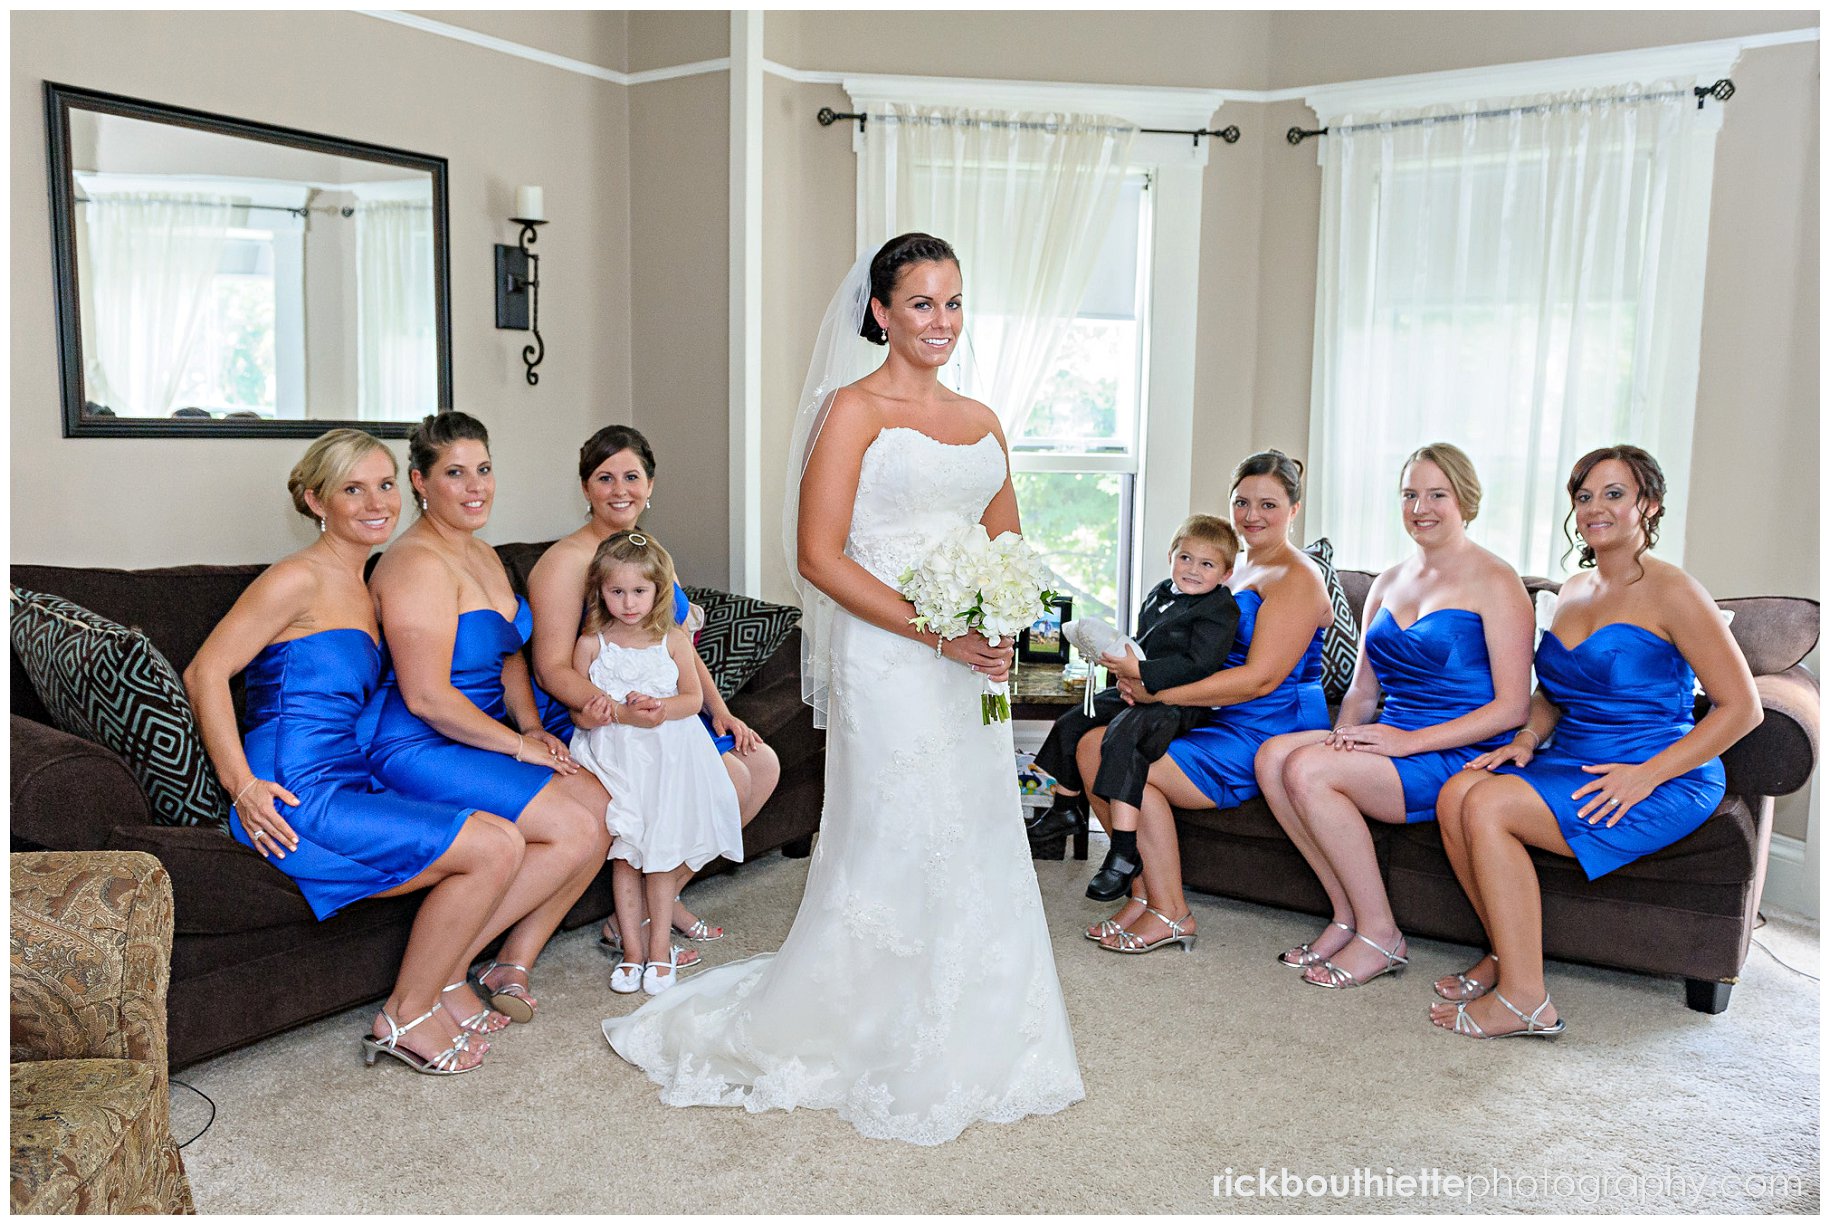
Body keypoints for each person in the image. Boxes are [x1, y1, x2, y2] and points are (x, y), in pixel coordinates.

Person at [602, 232, 1084, 1145]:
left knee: (976, 826)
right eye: (919, 304)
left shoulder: (984, 418)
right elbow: (818, 556)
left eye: (952, 302)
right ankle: (866, 1020)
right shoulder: (851, 409)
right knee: (898, 828)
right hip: (893, 655)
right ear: (880, 312)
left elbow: (1005, 547)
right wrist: (938, 631)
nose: (939, 322)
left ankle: (985, 1020)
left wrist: (1001, 624)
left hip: (964, 665)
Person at [184, 430, 523, 1075]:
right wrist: (242, 787)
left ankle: (430, 994)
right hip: (289, 791)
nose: (377, 502)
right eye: (352, 488)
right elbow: (206, 672)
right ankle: (406, 1014)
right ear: (316, 500)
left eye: (386, 484)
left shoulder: (365, 587)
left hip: (345, 774)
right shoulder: (296, 579)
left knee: (497, 834)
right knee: (495, 847)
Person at [1429, 446, 1760, 1038]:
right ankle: (1509, 958)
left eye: (1614, 494)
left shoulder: (1674, 591)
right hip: (1571, 757)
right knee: (1456, 791)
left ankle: (1527, 1002)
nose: (1594, 508)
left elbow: (1743, 709)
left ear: (1648, 506)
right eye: (1584, 496)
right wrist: (1528, 737)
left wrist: (1645, 775)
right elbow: (1557, 688)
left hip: (1659, 771)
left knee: (1486, 803)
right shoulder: (1575, 589)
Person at [1255, 444, 1534, 988]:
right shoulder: (1387, 582)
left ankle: (1382, 936)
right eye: (1410, 494)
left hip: (1455, 748)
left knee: (1309, 770)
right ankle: (1346, 916)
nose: (1420, 507)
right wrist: (1343, 736)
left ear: (1465, 501)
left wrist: (1407, 743)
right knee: (1273, 757)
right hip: (1392, 736)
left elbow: (1512, 708)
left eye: (1436, 494)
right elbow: (1362, 690)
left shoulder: (1497, 581)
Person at [365, 411, 612, 1024]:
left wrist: (531, 728)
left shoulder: (481, 553)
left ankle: (504, 960)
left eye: (484, 469)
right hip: (419, 740)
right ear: (420, 483)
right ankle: (442, 974)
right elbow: (425, 697)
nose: (476, 487)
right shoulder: (416, 563)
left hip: (484, 735)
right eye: (455, 473)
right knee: (573, 829)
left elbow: (508, 658)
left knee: (606, 809)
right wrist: (519, 748)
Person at [528, 423, 780, 954]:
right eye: (604, 477)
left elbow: (676, 648)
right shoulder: (564, 563)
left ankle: (657, 901)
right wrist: (620, 710)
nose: (620, 489)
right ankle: (641, 918)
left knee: (763, 764)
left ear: (651, 484)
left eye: (632, 476)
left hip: (664, 707)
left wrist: (720, 712)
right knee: (727, 781)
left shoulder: (646, 553)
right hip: (598, 711)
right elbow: (552, 669)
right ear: (585, 487)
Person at [1082, 450, 1334, 955]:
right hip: (1216, 713)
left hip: (1266, 726)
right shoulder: (1235, 567)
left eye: (1268, 504)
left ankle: (1172, 911)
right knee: (1091, 744)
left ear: (1295, 508)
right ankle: (1143, 891)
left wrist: (1157, 690)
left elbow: (1259, 681)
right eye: (1242, 502)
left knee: (1134, 759)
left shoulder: (1296, 578)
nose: (1252, 515)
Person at [567, 530, 743, 996]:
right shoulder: (592, 642)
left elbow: (692, 697)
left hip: (666, 757)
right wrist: (594, 709)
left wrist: (663, 709)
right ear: (600, 591)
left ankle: (660, 949)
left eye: (639, 591)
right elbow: (575, 705)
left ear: (658, 591)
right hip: (616, 759)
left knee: (661, 857)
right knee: (626, 855)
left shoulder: (672, 639)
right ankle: (632, 951)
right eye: (617, 591)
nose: (628, 603)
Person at [1029, 515, 1241, 900]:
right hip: (1141, 686)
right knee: (1077, 718)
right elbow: (1142, 641)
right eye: (1186, 558)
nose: (1192, 570)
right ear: (1171, 556)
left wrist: (1140, 672)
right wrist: (1123, 673)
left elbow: (1200, 665)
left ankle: (1124, 852)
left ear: (1226, 573)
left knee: (1122, 736)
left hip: (1180, 703)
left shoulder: (1219, 610)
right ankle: (1065, 807)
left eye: (1207, 565)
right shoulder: (1162, 593)